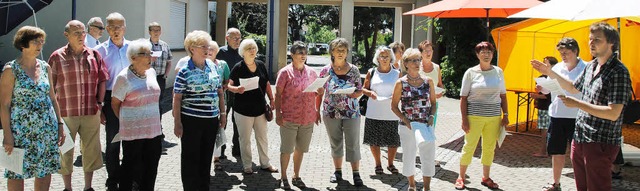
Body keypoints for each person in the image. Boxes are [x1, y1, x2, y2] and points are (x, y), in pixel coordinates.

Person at [532, 22, 631, 191]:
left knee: (597, 186)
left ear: (611, 43)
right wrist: (550, 72)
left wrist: (577, 103)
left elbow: (613, 113)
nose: (591, 43)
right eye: (590, 39)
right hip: (581, 137)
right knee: (582, 186)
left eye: (597, 40)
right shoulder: (592, 66)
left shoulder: (618, 71)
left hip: (601, 140)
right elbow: (572, 87)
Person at [1, 26, 65, 191]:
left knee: (44, 171)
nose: (40, 45)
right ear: (23, 44)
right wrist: (7, 134)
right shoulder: (11, 70)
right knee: (16, 172)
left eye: (42, 41)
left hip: (46, 130)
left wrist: (59, 124)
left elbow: (52, 97)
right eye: (35, 41)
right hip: (20, 132)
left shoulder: (45, 67)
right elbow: (4, 104)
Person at [49, 20, 107, 191]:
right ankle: (68, 188)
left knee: (91, 151)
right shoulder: (56, 57)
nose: (81, 36)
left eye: (83, 32)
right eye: (76, 33)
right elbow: (50, 87)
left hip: (90, 111)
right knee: (65, 152)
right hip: (66, 113)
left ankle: (88, 187)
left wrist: (100, 103)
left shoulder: (94, 55)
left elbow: (102, 80)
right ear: (66, 35)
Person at [173, 30, 225, 191]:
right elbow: (177, 98)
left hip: (211, 119)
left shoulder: (212, 66)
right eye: (203, 46)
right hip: (191, 120)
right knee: (190, 158)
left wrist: (222, 114)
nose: (207, 49)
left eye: (207, 46)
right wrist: (177, 123)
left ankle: (204, 187)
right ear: (192, 48)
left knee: (205, 156)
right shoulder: (184, 70)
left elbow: (219, 92)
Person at [456, 42, 508, 190]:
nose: (486, 55)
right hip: (474, 117)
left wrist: (506, 115)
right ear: (477, 55)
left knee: (489, 148)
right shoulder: (471, 73)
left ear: (493, 54)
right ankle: (461, 177)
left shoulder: (498, 72)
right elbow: (463, 97)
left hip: (493, 117)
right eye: (483, 52)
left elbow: (503, 95)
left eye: (489, 52)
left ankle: (486, 177)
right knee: (469, 146)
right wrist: (464, 119)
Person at [111, 39, 163, 191]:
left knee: (151, 168)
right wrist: (127, 120)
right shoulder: (123, 78)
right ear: (133, 58)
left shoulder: (152, 73)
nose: (150, 57)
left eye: (150, 53)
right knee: (130, 169)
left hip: (153, 131)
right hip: (133, 133)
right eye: (145, 54)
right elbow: (115, 103)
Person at [538, 39, 585, 191]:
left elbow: (576, 89)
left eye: (566, 53)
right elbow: (547, 90)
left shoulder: (586, 68)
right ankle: (555, 183)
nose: (563, 56)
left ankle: (583, 185)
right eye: (561, 53)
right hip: (557, 115)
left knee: (578, 155)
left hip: (578, 116)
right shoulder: (557, 67)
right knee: (556, 151)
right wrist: (542, 87)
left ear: (576, 51)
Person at [317, 38, 364, 186]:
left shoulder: (354, 70)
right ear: (332, 52)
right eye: (337, 50)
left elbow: (360, 91)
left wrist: (353, 94)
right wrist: (316, 110)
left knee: (353, 143)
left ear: (347, 52)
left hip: (351, 113)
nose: (340, 53)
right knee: (335, 143)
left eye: (343, 50)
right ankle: (337, 171)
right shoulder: (325, 70)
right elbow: (319, 91)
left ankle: (356, 174)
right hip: (330, 113)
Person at [275, 41, 321, 189]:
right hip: (289, 117)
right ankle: (283, 177)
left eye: (304, 52)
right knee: (287, 149)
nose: (303, 55)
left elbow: (317, 91)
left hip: (307, 117)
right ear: (292, 55)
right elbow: (278, 94)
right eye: (299, 52)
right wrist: (278, 114)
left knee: (300, 149)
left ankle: (296, 175)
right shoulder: (285, 72)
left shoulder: (312, 72)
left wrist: (319, 93)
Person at [227, 39, 277, 174]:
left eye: (253, 48)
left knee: (262, 138)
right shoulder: (238, 67)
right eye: (249, 48)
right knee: (245, 139)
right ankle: (247, 165)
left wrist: (272, 99)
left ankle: (265, 163)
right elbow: (228, 85)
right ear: (243, 52)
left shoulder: (261, 65)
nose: (252, 51)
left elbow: (266, 83)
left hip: (260, 109)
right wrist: (237, 89)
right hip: (242, 110)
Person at [390, 48, 437, 191]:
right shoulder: (401, 83)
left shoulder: (428, 81)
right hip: (407, 126)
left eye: (418, 60)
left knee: (428, 156)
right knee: (409, 156)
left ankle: (427, 188)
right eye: (413, 60)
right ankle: (412, 185)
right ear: (405, 63)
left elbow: (433, 103)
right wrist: (405, 120)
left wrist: (431, 117)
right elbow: (393, 106)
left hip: (425, 125)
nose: (417, 63)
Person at [94, 12, 130, 191]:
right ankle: (113, 178)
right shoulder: (100, 51)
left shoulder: (133, 48)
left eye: (119, 27)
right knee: (113, 141)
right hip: (110, 99)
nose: (116, 30)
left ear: (125, 28)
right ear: (107, 29)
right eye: (112, 27)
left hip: (131, 99)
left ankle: (129, 176)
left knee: (132, 141)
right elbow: (97, 81)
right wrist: (99, 107)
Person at [361, 46, 401, 175]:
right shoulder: (371, 72)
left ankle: (390, 164)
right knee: (374, 139)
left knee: (393, 140)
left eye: (387, 56)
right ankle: (378, 164)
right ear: (377, 58)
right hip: (374, 111)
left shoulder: (397, 73)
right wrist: (370, 93)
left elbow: (402, 89)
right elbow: (363, 89)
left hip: (392, 113)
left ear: (391, 58)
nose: (384, 59)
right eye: (382, 56)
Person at [417, 40, 445, 167]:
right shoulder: (416, 67)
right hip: (418, 105)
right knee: (417, 130)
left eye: (430, 50)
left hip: (433, 105)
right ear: (421, 53)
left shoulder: (437, 67)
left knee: (430, 131)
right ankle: (417, 157)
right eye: (425, 51)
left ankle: (430, 158)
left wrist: (441, 92)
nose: (428, 53)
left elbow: (440, 85)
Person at [216, 28, 243, 158]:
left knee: (238, 121)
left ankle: (237, 148)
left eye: (239, 38)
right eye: (235, 38)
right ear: (227, 38)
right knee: (223, 120)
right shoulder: (220, 52)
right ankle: (221, 148)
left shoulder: (243, 52)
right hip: (225, 92)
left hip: (239, 91)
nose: (238, 41)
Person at [207, 40, 230, 171]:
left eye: (213, 50)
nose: (210, 51)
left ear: (217, 52)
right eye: (208, 49)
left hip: (220, 103)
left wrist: (222, 89)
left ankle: (216, 159)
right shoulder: (201, 65)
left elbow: (227, 81)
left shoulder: (222, 65)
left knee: (219, 131)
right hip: (205, 105)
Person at [531, 56, 558, 159]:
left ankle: (544, 151)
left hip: (549, 107)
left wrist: (536, 95)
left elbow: (548, 95)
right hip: (544, 107)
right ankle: (546, 150)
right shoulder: (542, 77)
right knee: (545, 129)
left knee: (545, 130)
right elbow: (541, 91)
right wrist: (538, 91)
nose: (543, 65)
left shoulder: (556, 77)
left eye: (546, 64)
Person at [148, 22, 173, 118]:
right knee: (148, 101)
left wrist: (166, 74)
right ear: (149, 32)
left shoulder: (165, 45)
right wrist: (149, 59)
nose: (156, 32)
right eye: (154, 30)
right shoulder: (145, 45)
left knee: (159, 101)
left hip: (161, 78)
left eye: (158, 30)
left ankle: (158, 124)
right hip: (147, 78)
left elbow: (169, 62)